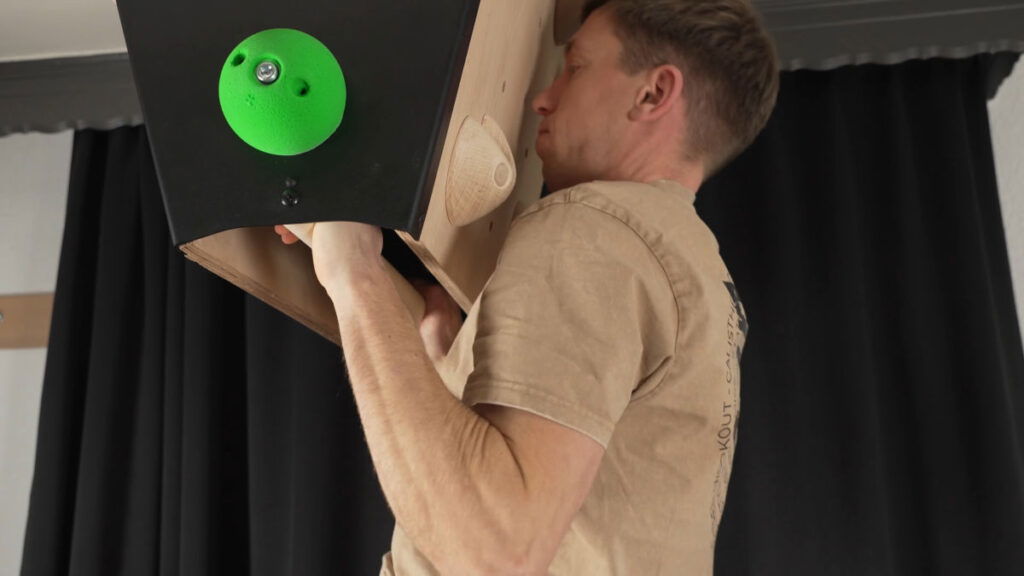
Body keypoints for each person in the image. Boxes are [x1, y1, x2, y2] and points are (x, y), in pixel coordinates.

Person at [275, 0, 778, 573]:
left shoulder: (592, 228)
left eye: (576, 66)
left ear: (654, 93)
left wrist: (354, 274)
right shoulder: (688, 261)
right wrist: (447, 355)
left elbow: (494, 551)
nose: (543, 96)